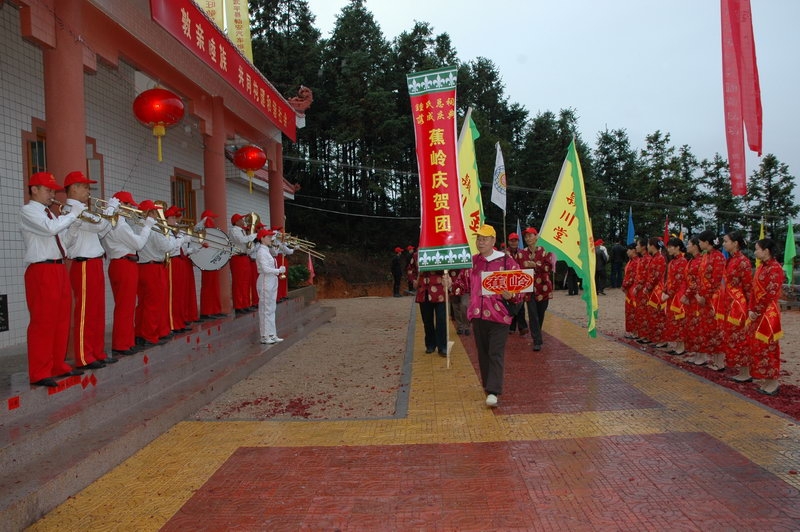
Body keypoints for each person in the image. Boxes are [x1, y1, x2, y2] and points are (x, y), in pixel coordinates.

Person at [19, 171, 82, 386]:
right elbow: (49, 230)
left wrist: (73, 226)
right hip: (41, 269)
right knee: (43, 321)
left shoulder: (51, 213)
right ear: (34, 190)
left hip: (57, 267)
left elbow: (64, 242)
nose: (51, 194)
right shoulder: (29, 211)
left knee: (62, 318)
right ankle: (39, 371)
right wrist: (72, 215)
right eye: (48, 190)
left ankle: (57, 364)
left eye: (53, 190)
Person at [62, 170, 118, 369]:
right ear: (74, 188)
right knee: (85, 312)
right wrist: (110, 210)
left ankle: (97, 352)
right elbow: (97, 226)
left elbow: (103, 229)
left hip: (93, 263)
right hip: (83, 264)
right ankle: (84, 356)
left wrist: (109, 216)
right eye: (85, 187)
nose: (88, 191)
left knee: (97, 311)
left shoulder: (83, 210)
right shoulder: (71, 210)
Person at [468, 224, 522, 408]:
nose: (480, 242)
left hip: (500, 316)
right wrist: (449, 282)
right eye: (478, 239)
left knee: (495, 353)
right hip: (478, 315)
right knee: (483, 354)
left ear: (493, 241)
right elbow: (461, 283)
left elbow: (521, 287)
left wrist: (512, 295)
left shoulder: (507, 262)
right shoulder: (473, 261)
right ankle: (488, 386)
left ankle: (493, 390)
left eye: (484, 239)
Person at [100, 191, 155, 356]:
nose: (132, 209)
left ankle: (127, 341)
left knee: (127, 306)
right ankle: (121, 344)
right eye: (129, 205)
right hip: (123, 264)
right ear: (121, 205)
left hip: (123, 263)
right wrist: (147, 226)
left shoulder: (119, 222)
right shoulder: (120, 223)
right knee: (125, 306)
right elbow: (138, 244)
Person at [135, 200, 178, 347]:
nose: (157, 215)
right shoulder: (153, 228)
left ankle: (140, 334)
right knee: (154, 303)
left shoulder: (136, 225)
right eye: (154, 212)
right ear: (148, 213)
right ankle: (150, 335)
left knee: (143, 303)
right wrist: (180, 240)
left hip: (141, 267)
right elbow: (167, 247)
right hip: (154, 268)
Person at [748, 238, 784, 395]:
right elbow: (753, 291)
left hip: (768, 314)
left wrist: (756, 310)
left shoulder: (775, 269)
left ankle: (773, 382)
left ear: (766, 251)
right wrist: (752, 309)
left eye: (757, 249)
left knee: (769, 347)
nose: (755, 252)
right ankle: (766, 380)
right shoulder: (761, 268)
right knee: (759, 347)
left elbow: (770, 293)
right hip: (758, 313)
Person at [691, 230, 726, 367]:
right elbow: (701, 278)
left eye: (700, 241)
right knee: (707, 328)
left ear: (706, 242)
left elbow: (716, 280)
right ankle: (711, 358)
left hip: (715, 299)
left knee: (717, 329)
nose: (699, 244)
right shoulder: (706, 256)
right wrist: (699, 294)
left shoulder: (718, 257)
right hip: (704, 297)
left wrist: (704, 296)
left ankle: (720, 362)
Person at [721, 231, 753, 380]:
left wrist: (748, 307)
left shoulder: (743, 261)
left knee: (741, 338)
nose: (723, 244)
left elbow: (747, 287)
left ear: (735, 243)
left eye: (726, 241)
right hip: (730, 303)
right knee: (733, 337)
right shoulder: (731, 260)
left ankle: (746, 373)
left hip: (739, 306)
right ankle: (741, 370)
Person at [517, 227, 554, 351]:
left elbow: (549, 267)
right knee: (532, 315)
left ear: (536, 236)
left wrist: (536, 265)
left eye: (530, 236)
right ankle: (537, 341)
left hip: (543, 288)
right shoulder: (521, 253)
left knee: (540, 314)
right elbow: (516, 269)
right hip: (529, 290)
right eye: (526, 236)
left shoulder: (544, 251)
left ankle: (537, 333)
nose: (528, 238)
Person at [409, 252, 449, 356]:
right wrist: (414, 280)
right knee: (427, 320)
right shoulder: (416, 254)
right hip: (424, 292)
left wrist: (449, 279)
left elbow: (452, 267)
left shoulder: (441, 252)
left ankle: (443, 346)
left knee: (441, 320)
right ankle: (430, 344)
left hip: (440, 291)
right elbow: (410, 269)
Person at [255, 228, 286, 344]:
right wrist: (278, 270)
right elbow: (264, 269)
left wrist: (278, 270)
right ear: (262, 238)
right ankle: (265, 335)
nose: (270, 238)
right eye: (268, 237)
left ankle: (272, 334)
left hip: (272, 279)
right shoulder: (261, 252)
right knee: (266, 308)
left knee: (272, 308)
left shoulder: (267, 250)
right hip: (265, 280)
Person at [194, 210, 225, 319]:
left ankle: (215, 309)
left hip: (212, 261)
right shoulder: (201, 229)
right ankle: (207, 311)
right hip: (207, 261)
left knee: (214, 286)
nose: (214, 220)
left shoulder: (209, 231)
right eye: (212, 218)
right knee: (208, 286)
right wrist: (204, 221)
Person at [660, 237, 688, 355]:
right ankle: (677, 344)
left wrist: (668, 293)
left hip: (678, 295)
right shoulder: (672, 262)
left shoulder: (683, 262)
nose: (668, 249)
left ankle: (681, 346)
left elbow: (678, 280)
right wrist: (664, 291)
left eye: (671, 246)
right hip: (671, 295)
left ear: (677, 248)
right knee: (673, 320)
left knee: (679, 320)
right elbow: (669, 279)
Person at [229, 213, 257, 314]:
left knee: (246, 282)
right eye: (241, 219)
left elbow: (248, 247)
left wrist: (251, 247)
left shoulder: (243, 232)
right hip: (237, 258)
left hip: (245, 257)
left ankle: (245, 304)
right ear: (236, 221)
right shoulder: (234, 230)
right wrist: (253, 235)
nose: (243, 221)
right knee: (239, 282)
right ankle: (238, 305)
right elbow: (241, 240)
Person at [506, 232, 528, 336]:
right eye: (512, 240)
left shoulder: (522, 253)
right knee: (512, 304)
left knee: (520, 304)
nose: (514, 242)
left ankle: (521, 327)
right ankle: (513, 326)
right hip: (508, 282)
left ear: (518, 242)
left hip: (519, 281)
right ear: (508, 241)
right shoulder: (504, 253)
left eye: (516, 240)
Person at [621, 244, 639, 339]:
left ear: (634, 250)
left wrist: (624, 285)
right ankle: (631, 330)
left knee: (633, 310)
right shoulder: (631, 261)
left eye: (629, 250)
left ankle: (635, 331)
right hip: (629, 288)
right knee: (629, 310)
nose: (627, 252)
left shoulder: (636, 262)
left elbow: (632, 276)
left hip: (633, 288)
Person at [449, 269, 471, 335]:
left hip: (465, 288)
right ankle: (460, 327)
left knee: (464, 306)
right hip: (453, 288)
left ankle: (467, 327)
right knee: (456, 308)